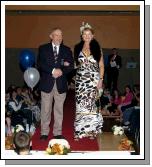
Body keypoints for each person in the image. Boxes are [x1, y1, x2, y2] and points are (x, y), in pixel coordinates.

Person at [37, 28, 74, 140]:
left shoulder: (67, 50)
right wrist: (53, 70)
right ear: (51, 36)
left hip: (61, 84)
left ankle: (57, 132)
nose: (59, 37)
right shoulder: (43, 48)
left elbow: (71, 66)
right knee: (45, 109)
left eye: (61, 35)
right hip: (47, 84)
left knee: (59, 110)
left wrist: (62, 71)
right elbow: (40, 64)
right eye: (56, 35)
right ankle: (44, 132)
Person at [74, 22, 104, 140]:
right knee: (81, 106)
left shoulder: (97, 48)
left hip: (93, 81)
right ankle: (80, 131)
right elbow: (76, 65)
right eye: (84, 34)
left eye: (89, 34)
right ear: (82, 35)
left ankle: (92, 131)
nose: (87, 36)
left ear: (93, 35)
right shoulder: (77, 48)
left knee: (92, 106)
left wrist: (100, 80)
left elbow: (101, 66)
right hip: (81, 81)